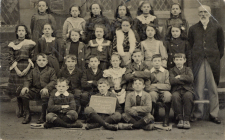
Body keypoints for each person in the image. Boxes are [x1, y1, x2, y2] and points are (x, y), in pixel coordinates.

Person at [188, 5, 224, 124]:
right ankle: (198, 113)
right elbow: (190, 45)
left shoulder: (217, 27)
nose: (203, 14)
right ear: (198, 14)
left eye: (205, 12)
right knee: (198, 87)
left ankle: (214, 114)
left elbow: (221, 47)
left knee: (213, 88)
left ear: (209, 13)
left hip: (212, 62)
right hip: (198, 61)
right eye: (201, 12)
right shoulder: (193, 28)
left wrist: (214, 57)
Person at [20, 53, 57, 124]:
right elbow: (28, 80)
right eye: (39, 60)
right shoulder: (33, 70)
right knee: (24, 94)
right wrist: (26, 87)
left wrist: (46, 88)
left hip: (45, 90)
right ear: (36, 61)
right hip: (35, 90)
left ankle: (43, 115)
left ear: (47, 61)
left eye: (43, 60)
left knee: (44, 94)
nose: (41, 62)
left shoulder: (51, 70)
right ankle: (27, 114)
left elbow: (53, 81)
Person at [8, 24, 36, 118]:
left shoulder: (30, 43)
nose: (21, 32)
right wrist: (17, 70)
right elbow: (10, 58)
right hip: (16, 68)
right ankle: (20, 106)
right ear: (16, 32)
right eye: (19, 30)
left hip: (27, 67)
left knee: (25, 87)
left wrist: (27, 69)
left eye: (22, 30)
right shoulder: (12, 44)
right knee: (17, 88)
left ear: (26, 32)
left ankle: (26, 108)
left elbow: (32, 57)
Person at [169, 53, 194, 129]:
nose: (179, 62)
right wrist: (184, 80)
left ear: (184, 60)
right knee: (175, 96)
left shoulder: (188, 69)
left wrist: (180, 77)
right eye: (177, 60)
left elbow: (191, 79)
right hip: (176, 89)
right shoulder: (171, 70)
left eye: (181, 60)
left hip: (187, 89)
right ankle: (180, 118)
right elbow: (172, 81)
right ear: (174, 61)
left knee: (188, 96)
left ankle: (186, 119)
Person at [149, 54, 171, 127]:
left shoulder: (165, 72)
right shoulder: (149, 72)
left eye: (159, 61)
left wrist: (155, 85)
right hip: (154, 91)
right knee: (152, 95)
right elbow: (148, 87)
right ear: (152, 62)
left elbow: (168, 86)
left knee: (168, 95)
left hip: (164, 91)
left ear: (161, 62)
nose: (157, 62)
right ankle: (152, 115)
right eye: (155, 61)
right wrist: (160, 86)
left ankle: (166, 117)